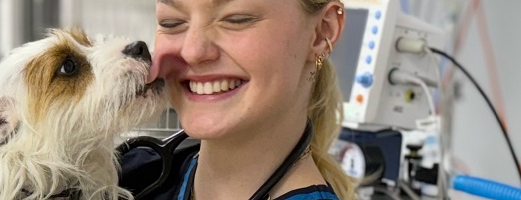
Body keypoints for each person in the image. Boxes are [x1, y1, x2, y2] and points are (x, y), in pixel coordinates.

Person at [119, 0, 355, 199]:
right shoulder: (124, 177)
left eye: (236, 19)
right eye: (171, 22)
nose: (192, 52)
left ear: (322, 32)